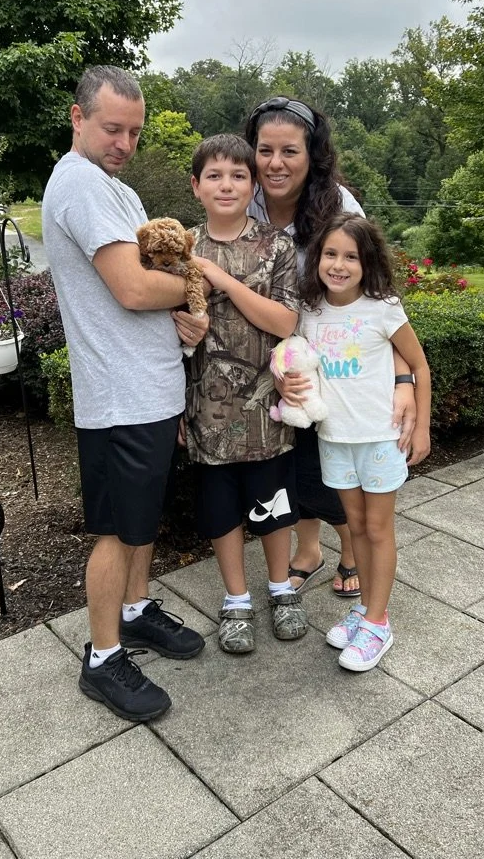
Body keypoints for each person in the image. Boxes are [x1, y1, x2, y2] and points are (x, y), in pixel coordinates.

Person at [42, 65, 208, 723]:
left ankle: (135, 613)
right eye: (112, 128)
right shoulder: (80, 184)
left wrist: (180, 315)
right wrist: (202, 287)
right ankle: (103, 656)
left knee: (142, 522)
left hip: (150, 390)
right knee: (116, 530)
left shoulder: (116, 191)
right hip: (119, 397)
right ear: (78, 118)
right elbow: (135, 288)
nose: (124, 143)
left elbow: (149, 282)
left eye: (134, 132)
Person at [244, 97, 420, 597]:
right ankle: (308, 548)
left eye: (290, 151)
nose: (275, 163)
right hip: (275, 354)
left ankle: (350, 550)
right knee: (291, 457)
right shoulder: (245, 198)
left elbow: (379, 304)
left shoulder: (338, 206)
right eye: (265, 150)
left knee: (331, 451)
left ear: (312, 154)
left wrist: (404, 379)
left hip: (335, 356)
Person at [181, 132, 304, 654]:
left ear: (252, 185)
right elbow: (166, 319)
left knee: (272, 506)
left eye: (237, 175)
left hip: (266, 410)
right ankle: (236, 599)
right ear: (196, 186)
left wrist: (223, 281)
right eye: (214, 175)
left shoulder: (276, 246)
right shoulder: (183, 248)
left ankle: (281, 590)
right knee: (221, 509)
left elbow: (286, 321)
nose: (226, 184)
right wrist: (179, 326)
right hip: (205, 408)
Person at [296, 213, 431, 671]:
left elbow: (419, 365)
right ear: (317, 259)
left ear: (367, 261)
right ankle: (365, 610)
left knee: (378, 530)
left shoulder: (383, 307)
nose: (339, 264)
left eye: (350, 256)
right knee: (354, 530)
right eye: (330, 254)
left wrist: (424, 426)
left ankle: (378, 622)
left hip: (379, 439)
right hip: (334, 438)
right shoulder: (309, 311)